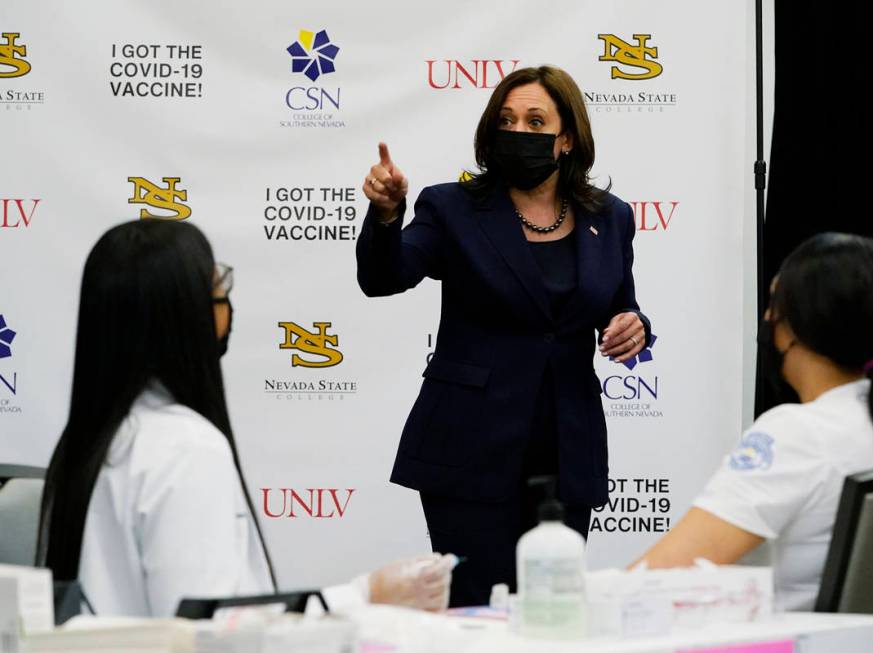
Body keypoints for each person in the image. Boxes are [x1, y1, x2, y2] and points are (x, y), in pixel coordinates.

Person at [37, 219, 453, 618]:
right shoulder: (184, 448)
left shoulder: (89, 440)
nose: (226, 304)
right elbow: (209, 631)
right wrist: (364, 596)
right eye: (217, 287)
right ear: (181, 315)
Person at [357, 65, 652, 606]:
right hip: (469, 446)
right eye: (507, 119)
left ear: (565, 138)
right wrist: (386, 215)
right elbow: (383, 278)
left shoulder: (609, 218)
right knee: (477, 613)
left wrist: (634, 324)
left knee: (551, 611)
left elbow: (618, 304)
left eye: (535, 120)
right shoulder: (452, 207)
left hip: (566, 449)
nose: (518, 130)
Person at [630, 233, 873, 611]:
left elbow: (656, 577)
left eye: (773, 302)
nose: (766, 317)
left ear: (798, 324)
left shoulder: (797, 436)